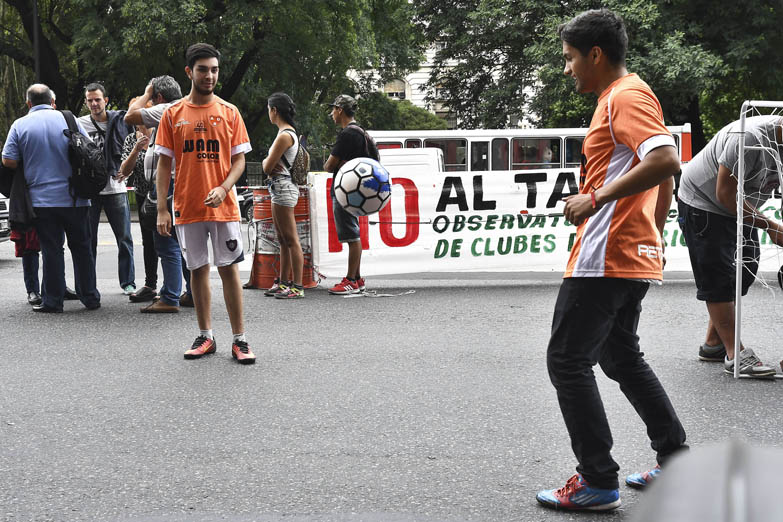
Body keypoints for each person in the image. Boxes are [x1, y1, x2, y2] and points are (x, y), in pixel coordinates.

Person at [535, 9, 687, 512]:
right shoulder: (629, 96)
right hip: (628, 253)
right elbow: (661, 167)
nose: (567, 69)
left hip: (606, 255)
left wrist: (595, 199)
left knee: (566, 360)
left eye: (569, 59)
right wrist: (654, 230)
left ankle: (597, 480)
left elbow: (666, 160)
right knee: (619, 357)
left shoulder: (623, 96)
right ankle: (676, 460)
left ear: (594, 55)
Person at [154, 44, 255, 363]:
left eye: (214, 70)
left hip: (223, 207)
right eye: (203, 69)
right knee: (197, 270)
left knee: (229, 269)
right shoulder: (172, 114)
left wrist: (225, 188)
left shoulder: (230, 112)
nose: (209, 75)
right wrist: (161, 208)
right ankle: (206, 336)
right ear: (189, 72)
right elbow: (163, 165)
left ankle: (240, 339)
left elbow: (239, 161)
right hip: (187, 206)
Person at [677, 116, 783, 377]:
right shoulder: (747, 137)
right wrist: (770, 226)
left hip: (742, 205)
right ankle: (735, 354)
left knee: (744, 271)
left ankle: (714, 344)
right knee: (718, 277)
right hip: (704, 201)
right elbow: (725, 193)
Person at [1, 84, 100, 312]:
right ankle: (90, 297)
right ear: (52, 101)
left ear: (29, 103)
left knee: (51, 249)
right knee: (82, 247)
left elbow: (9, 161)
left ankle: (53, 301)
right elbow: (90, 149)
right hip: (76, 198)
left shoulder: (20, 125)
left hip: (42, 201)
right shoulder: (68, 119)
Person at [125, 75, 193, 313]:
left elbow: (129, 115)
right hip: (183, 183)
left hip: (168, 185)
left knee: (166, 242)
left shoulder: (165, 108)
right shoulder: (186, 107)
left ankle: (169, 296)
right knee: (183, 242)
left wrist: (146, 93)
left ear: (159, 97)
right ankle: (191, 293)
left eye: (152, 98)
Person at [79, 82, 136, 295]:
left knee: (125, 239)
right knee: (88, 240)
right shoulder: (80, 124)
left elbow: (133, 145)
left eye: (97, 99)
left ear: (106, 101)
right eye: (90, 100)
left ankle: (128, 282)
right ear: (86, 102)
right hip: (91, 191)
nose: (94, 104)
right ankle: (89, 284)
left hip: (116, 188)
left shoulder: (121, 121)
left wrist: (128, 170)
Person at [323, 94, 378, 294]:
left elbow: (329, 166)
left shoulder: (347, 134)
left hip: (345, 190)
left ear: (339, 109)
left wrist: (338, 163)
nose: (331, 114)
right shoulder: (362, 133)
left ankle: (350, 280)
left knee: (352, 235)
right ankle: (357, 278)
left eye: (333, 110)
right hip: (358, 191)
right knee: (354, 233)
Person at [261, 92, 305, 299]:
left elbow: (267, 166)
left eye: (268, 109)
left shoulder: (285, 136)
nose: (268, 113)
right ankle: (284, 282)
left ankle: (297, 286)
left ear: (274, 110)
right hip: (279, 188)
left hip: (283, 188)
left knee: (291, 239)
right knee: (282, 239)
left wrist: (265, 161)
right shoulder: (287, 134)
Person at [118, 103, 158, 303]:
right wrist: (136, 148)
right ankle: (151, 285)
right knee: (149, 242)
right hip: (143, 196)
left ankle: (182, 286)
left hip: (164, 195)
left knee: (171, 242)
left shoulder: (161, 132)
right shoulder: (130, 139)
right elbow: (124, 171)